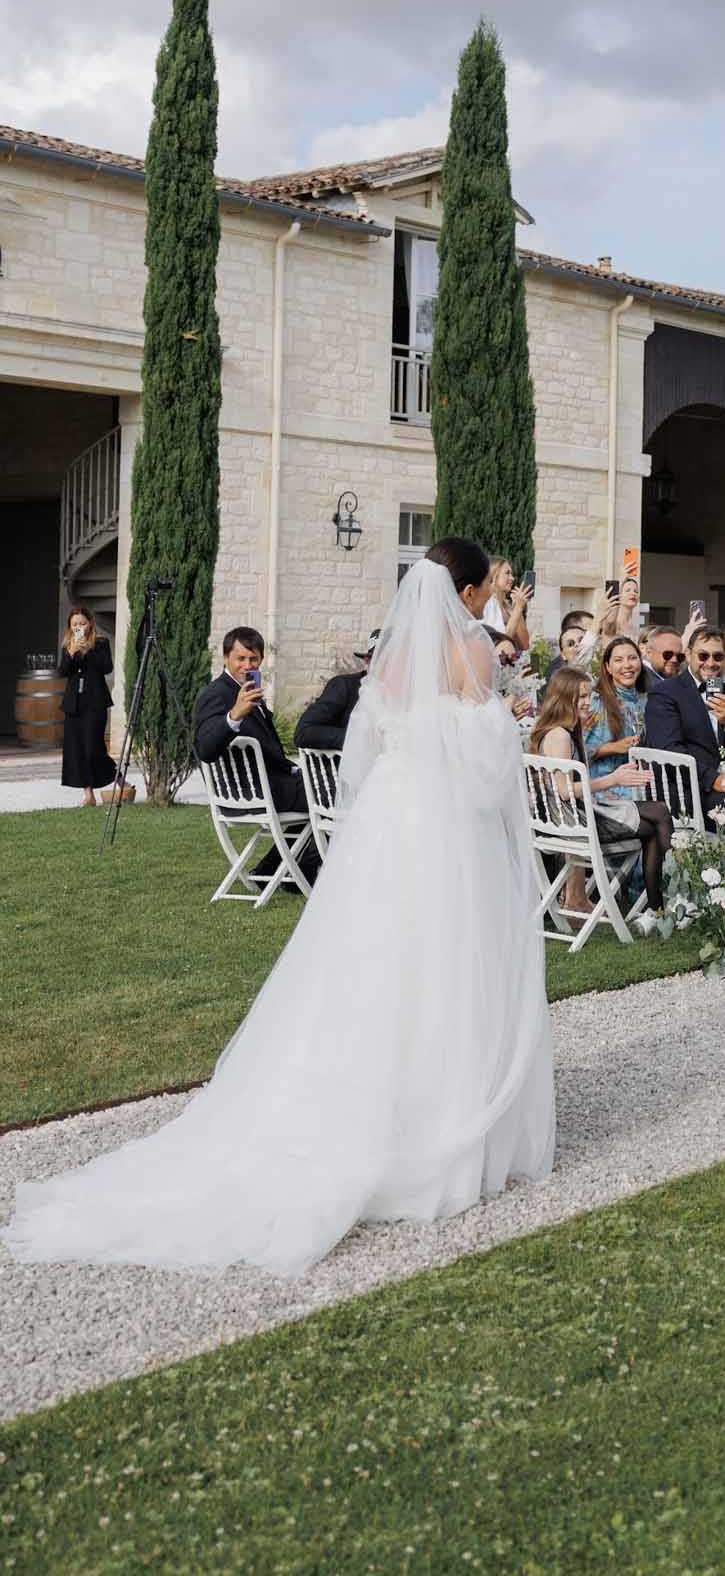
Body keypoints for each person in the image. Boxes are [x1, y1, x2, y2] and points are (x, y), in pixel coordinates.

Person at [4, 539, 555, 1276]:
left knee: (367, 960)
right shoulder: (477, 659)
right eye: (486, 587)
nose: (491, 598)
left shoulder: (388, 662)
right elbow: (490, 770)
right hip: (448, 829)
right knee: (447, 959)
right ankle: (439, 1123)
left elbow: (367, 753)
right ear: (466, 591)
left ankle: (354, 1097)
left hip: (390, 827)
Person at [529, 667, 671, 911]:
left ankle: (657, 907)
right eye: (582, 697)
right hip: (576, 823)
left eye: (589, 696)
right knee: (658, 815)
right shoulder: (559, 736)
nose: (588, 703)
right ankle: (665, 902)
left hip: (570, 819)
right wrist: (613, 779)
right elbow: (564, 791)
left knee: (657, 817)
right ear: (564, 697)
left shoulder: (562, 732)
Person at [193, 625, 320, 887]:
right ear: (226, 657)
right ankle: (304, 871)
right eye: (240, 658)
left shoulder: (250, 690)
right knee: (333, 795)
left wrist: (294, 769)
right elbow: (205, 749)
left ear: (261, 659)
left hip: (268, 786)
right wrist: (233, 716)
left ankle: (276, 872)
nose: (247, 665)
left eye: (253, 659)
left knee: (324, 788)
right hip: (247, 793)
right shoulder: (216, 694)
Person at [643, 624, 725, 818]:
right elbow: (668, 751)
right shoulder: (665, 693)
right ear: (688, 655)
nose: (711, 663)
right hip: (684, 791)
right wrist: (713, 779)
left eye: (718, 657)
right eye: (703, 656)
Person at [56, 604, 117, 806]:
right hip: (74, 705)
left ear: (90, 624)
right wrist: (73, 652)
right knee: (78, 750)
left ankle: (118, 776)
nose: (78, 627)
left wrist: (87, 650)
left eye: (82, 623)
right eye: (75, 624)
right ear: (69, 626)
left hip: (95, 703)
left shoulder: (100, 643)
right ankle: (88, 794)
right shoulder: (67, 646)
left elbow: (106, 667)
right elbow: (62, 671)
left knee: (94, 748)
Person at [295, 629, 377, 753]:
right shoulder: (344, 686)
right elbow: (304, 732)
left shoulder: (405, 696)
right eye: (380, 660)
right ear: (367, 660)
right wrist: (358, 738)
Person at [586, 637, 651, 791]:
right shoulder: (596, 700)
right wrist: (613, 747)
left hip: (643, 778)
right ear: (608, 667)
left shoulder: (646, 699)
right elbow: (579, 748)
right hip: (606, 784)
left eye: (633, 658)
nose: (627, 665)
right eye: (618, 660)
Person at [481, 556, 532, 652]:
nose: (512, 578)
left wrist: (517, 608)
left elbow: (524, 645)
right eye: (507, 573)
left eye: (511, 574)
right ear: (494, 575)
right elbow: (501, 640)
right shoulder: (489, 603)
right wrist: (518, 608)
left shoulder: (508, 606)